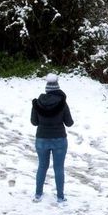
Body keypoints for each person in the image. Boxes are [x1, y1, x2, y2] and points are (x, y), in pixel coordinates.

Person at [30, 73, 73, 202]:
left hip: (42, 139)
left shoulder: (37, 104)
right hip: (59, 139)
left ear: (46, 88)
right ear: (57, 88)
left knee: (42, 166)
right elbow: (69, 123)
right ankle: (60, 197)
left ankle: (38, 194)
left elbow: (34, 122)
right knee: (58, 168)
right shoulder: (63, 104)